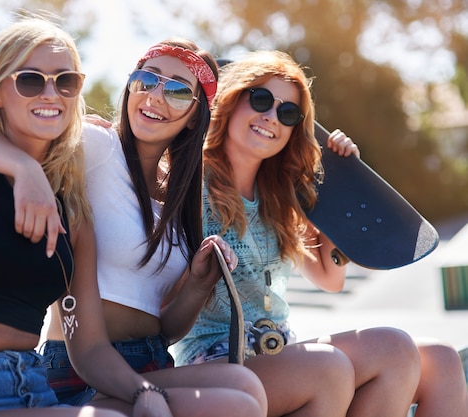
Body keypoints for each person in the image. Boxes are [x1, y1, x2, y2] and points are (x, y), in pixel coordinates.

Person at [0, 15, 265, 417]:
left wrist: (145, 391)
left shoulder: (72, 208)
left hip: (31, 385)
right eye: (30, 80)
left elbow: (91, 346)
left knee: (238, 400)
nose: (50, 93)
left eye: (66, 82)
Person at [172, 50, 468, 417]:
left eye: (287, 113)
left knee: (440, 360)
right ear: (232, 101)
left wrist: (337, 187)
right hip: (215, 360)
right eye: (261, 100)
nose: (271, 117)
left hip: (278, 353)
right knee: (390, 347)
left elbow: (330, 278)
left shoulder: (281, 197)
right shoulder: (189, 184)